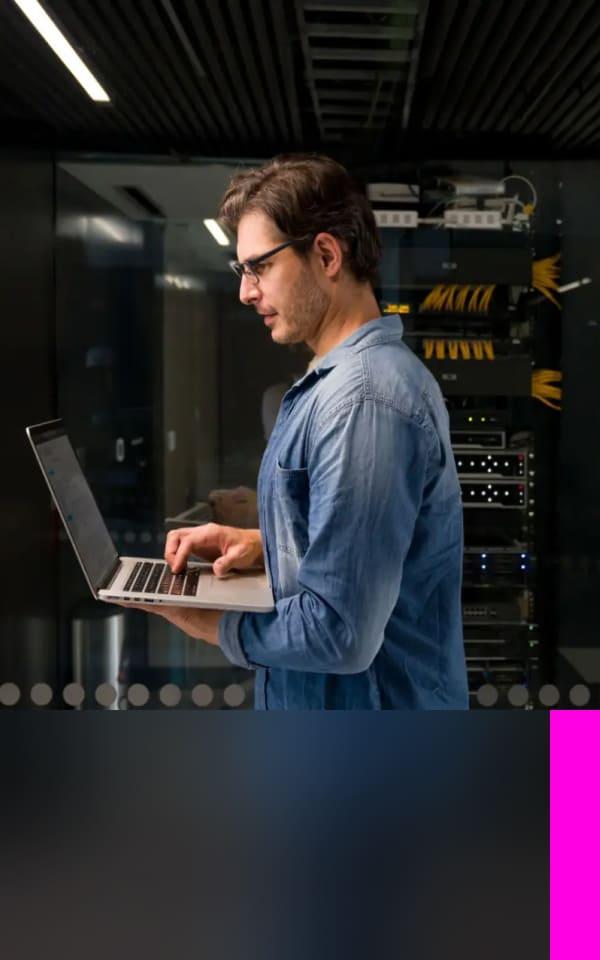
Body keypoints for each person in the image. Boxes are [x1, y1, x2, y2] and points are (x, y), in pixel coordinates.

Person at [133, 154, 469, 710]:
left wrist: (208, 620)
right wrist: (267, 548)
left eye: (258, 267)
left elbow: (339, 632)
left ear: (326, 254)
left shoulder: (364, 400)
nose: (246, 292)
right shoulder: (341, 383)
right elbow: (372, 557)